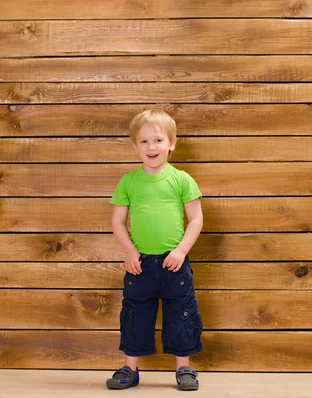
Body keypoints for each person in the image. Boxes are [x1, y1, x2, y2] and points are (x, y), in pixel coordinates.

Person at [106, 109, 204, 391]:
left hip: (175, 264)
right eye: (144, 141)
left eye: (158, 140)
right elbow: (118, 221)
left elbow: (196, 219)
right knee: (135, 314)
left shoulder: (182, 179)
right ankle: (130, 369)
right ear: (135, 146)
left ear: (172, 143)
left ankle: (184, 368)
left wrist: (181, 251)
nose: (152, 147)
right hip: (141, 265)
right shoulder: (128, 182)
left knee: (181, 313)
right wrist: (130, 252)